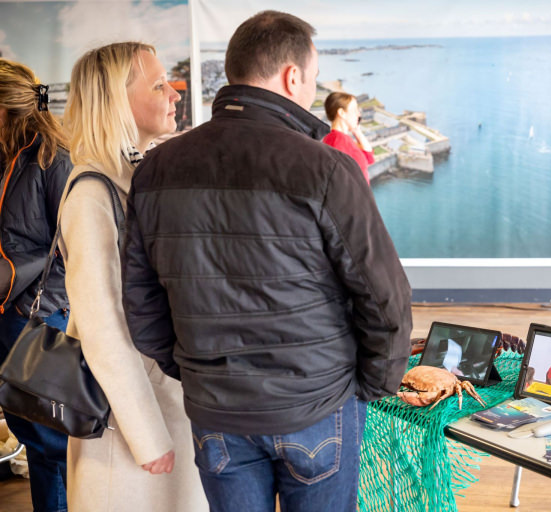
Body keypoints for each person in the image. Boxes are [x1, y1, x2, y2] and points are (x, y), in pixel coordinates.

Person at [120, 11, 412, 512]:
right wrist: (366, 387)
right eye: (313, 79)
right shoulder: (326, 168)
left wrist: (199, 373)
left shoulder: (155, 171)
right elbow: (385, 298)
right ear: (292, 76)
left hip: (218, 412)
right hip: (317, 405)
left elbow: (141, 305)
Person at [60, 42, 206, 511]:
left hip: (165, 403)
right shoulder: (91, 193)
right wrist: (147, 436)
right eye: (159, 84)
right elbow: (100, 327)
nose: (175, 93)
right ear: (116, 99)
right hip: (128, 426)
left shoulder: (133, 178)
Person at [0, 58, 72, 512]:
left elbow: (74, 247)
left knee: (51, 445)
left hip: (36, 319)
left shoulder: (52, 158)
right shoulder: (6, 154)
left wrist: (40, 307)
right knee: (28, 432)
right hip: (8, 315)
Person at [323, 91, 375, 183]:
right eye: (354, 110)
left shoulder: (339, 139)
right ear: (342, 113)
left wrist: (357, 131)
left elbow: (369, 157)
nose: (358, 114)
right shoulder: (338, 143)